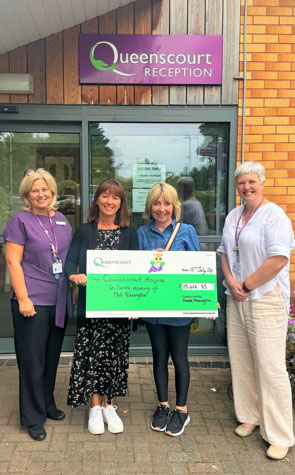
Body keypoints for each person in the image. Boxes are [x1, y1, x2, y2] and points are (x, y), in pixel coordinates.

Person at [217, 161, 295, 460]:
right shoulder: (234, 215)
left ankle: (280, 434)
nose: (246, 187)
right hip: (236, 296)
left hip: (264, 297)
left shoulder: (274, 216)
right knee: (242, 359)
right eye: (241, 183)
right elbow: (224, 252)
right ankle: (250, 415)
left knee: (270, 365)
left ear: (261, 182)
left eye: (251, 182)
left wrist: (247, 285)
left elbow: (278, 259)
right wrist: (230, 281)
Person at [65, 178, 138, 435]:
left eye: (115, 197)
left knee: (115, 356)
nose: (109, 201)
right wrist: (74, 276)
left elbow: (137, 271)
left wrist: (136, 303)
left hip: (118, 310)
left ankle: (110, 404)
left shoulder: (130, 232)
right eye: (105, 196)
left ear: (121, 203)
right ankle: (95, 406)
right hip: (92, 307)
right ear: (97, 200)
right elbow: (70, 262)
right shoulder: (85, 230)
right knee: (93, 356)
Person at [3, 169, 72, 441]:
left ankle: (47, 404)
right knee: (32, 361)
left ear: (53, 192)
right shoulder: (19, 222)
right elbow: (12, 262)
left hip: (59, 299)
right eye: (35, 190)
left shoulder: (63, 220)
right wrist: (23, 298)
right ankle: (32, 417)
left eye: (45, 190)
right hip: (31, 300)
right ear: (26, 195)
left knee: (51, 357)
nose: (41, 194)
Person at [137, 182, 199, 437]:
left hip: (178, 307)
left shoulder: (187, 231)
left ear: (175, 206)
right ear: (149, 206)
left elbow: (197, 266)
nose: (161, 209)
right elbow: (137, 269)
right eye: (156, 203)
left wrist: (204, 300)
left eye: (166, 203)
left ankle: (181, 410)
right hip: (154, 306)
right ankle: (163, 406)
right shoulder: (142, 232)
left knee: (180, 358)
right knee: (159, 357)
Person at [177, 176, 208, 250]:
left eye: (178, 189)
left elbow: (178, 227)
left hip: (195, 244)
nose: (177, 192)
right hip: (202, 244)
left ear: (183, 190)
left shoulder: (187, 205)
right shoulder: (196, 202)